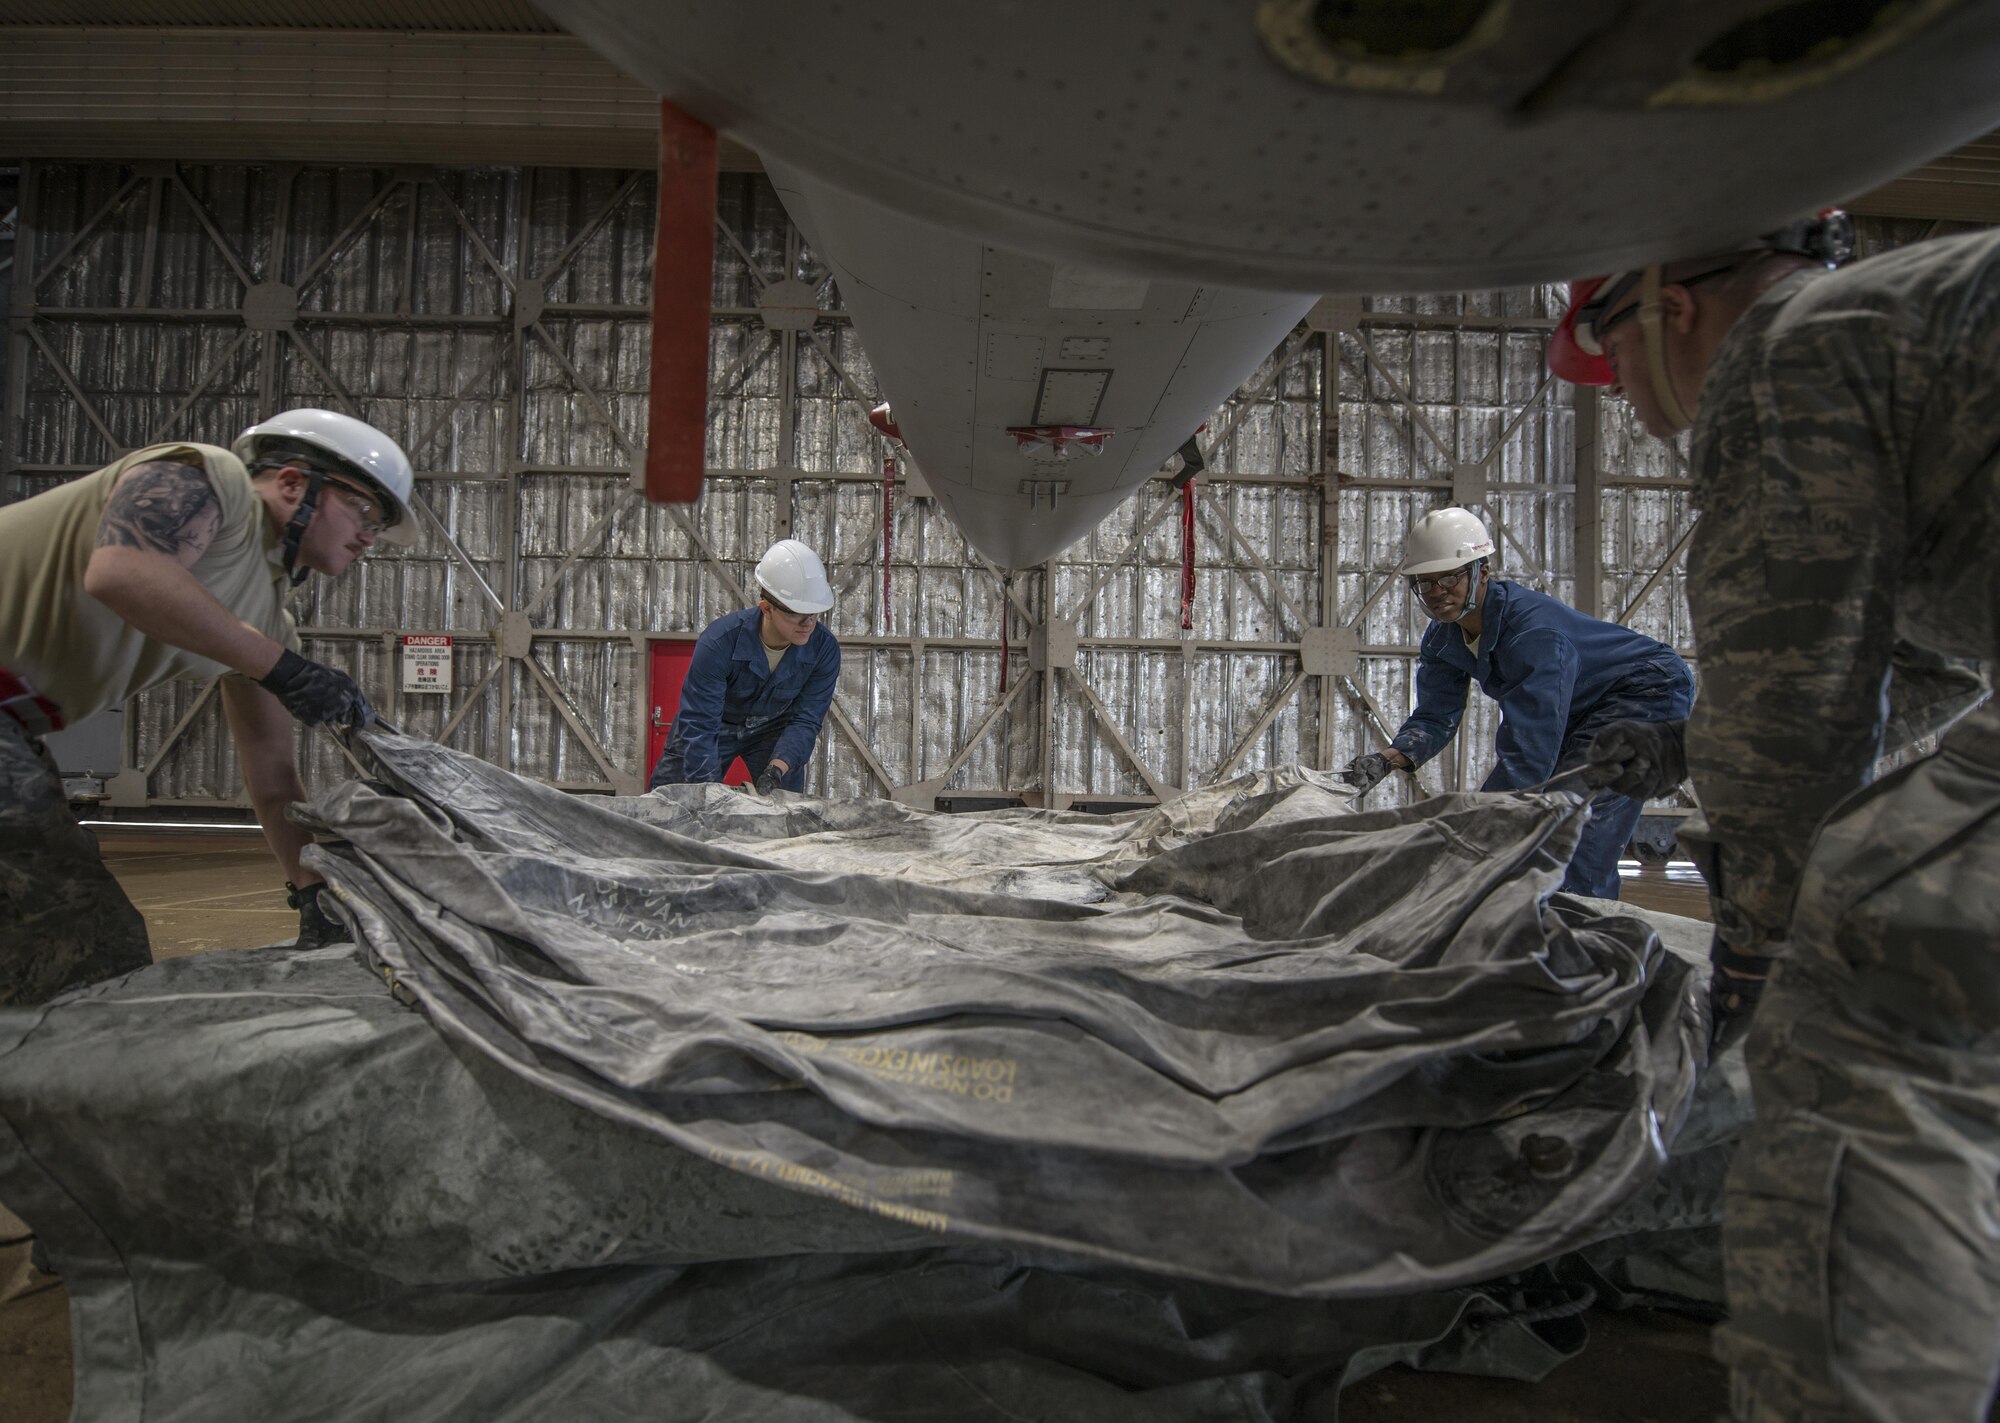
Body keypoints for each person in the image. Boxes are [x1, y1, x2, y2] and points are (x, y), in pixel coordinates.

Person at [1552, 213, 2000, 1423]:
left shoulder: (1787, 349)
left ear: (1668, 311)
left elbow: (1789, 691)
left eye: (1615, 365)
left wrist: (1755, 929)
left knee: (1869, 1004)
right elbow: (1935, 669)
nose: (1635, 407)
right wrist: (1697, 752)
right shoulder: (1911, 326)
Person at [0, 409, 415, 1006]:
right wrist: (283, 669)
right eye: (365, 510)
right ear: (296, 483)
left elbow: (272, 773)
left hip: (14, 728)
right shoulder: (205, 476)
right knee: (75, 948)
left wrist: (314, 891)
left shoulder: (267, 624)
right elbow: (122, 571)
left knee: (72, 949)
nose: (370, 535)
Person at [1341, 507, 1693, 900]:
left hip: (1645, 692)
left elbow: (1531, 749)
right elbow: (1436, 714)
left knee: (1576, 821)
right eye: (1425, 584)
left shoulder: (1534, 634)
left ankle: (1582, 939)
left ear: (1483, 572)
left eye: (1448, 578)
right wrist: (1388, 759)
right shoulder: (1443, 639)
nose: (1437, 592)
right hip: (1582, 707)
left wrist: (1481, 819)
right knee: (1546, 814)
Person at [648, 539, 841, 796]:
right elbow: (701, 723)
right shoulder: (719, 643)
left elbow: (806, 719)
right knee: (679, 801)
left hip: (773, 730)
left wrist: (777, 768)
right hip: (714, 725)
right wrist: (709, 793)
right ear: (767, 609)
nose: (808, 623)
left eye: (815, 613)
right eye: (797, 613)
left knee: (784, 806)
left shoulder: (824, 650)